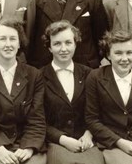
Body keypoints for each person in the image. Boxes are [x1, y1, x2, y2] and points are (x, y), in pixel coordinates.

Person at [85, 30, 132, 164]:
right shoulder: (95, 77)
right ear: (108, 54)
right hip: (112, 144)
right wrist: (119, 142)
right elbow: (92, 119)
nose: (125, 58)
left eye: (129, 52)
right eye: (118, 53)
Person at [0, 18, 46, 164]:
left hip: (28, 143)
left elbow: (37, 118)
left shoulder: (34, 75)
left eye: (13, 39)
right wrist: (0, 149)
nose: (8, 44)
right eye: (2, 39)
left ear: (19, 43)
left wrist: (28, 148)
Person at [41, 20, 104, 164]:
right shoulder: (39, 77)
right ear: (49, 47)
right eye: (57, 44)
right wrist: (62, 139)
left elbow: (99, 112)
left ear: (75, 44)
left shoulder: (90, 74)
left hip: (87, 141)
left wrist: (89, 135)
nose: (63, 49)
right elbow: (37, 120)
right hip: (55, 143)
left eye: (68, 43)